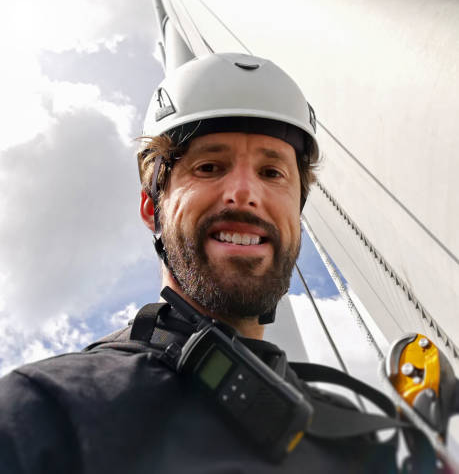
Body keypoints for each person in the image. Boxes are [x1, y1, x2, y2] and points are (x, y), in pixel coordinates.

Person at [0, 53, 426, 473]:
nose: (244, 192)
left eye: (273, 173)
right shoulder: (43, 413)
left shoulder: (354, 437)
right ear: (152, 208)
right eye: (208, 167)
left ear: (297, 212)